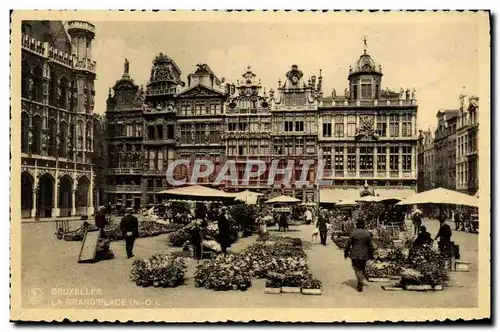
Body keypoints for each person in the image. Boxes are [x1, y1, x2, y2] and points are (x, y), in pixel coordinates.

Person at [344, 219, 374, 292]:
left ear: (357, 225)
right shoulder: (367, 233)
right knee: (362, 268)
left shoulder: (354, 233)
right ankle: (360, 280)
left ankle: (360, 282)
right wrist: (371, 255)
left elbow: (348, 244)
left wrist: (346, 253)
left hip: (355, 254)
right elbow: (370, 246)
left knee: (356, 268)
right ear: (364, 225)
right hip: (364, 254)